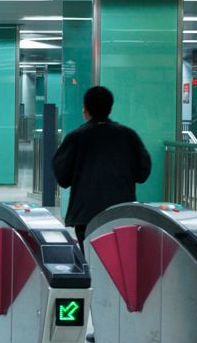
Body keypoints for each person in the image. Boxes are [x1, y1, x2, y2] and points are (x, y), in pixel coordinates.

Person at [52, 86, 151, 244]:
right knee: (119, 262)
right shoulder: (128, 136)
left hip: (86, 214)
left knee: (91, 259)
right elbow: (143, 173)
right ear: (110, 108)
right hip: (121, 212)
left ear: (85, 108)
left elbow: (63, 177)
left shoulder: (76, 138)